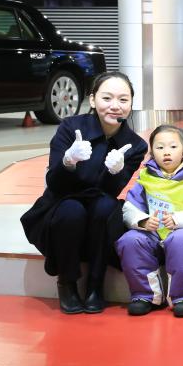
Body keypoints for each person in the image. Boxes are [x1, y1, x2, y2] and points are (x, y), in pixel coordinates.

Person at [20, 71, 146, 314]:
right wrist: (68, 161)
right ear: (92, 100)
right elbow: (54, 183)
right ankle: (67, 282)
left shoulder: (135, 145)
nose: (115, 106)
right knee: (72, 210)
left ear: (131, 103)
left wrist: (116, 172)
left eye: (123, 99)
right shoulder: (70, 128)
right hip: (61, 205)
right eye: (107, 98)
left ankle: (95, 285)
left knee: (106, 206)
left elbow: (111, 191)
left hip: (99, 210)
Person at [117, 124, 183, 317]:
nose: (166, 152)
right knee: (130, 240)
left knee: (181, 239)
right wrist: (143, 221)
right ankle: (145, 296)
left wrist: (178, 220)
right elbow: (129, 208)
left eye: (173, 146)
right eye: (160, 147)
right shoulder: (146, 177)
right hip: (154, 236)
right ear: (152, 153)